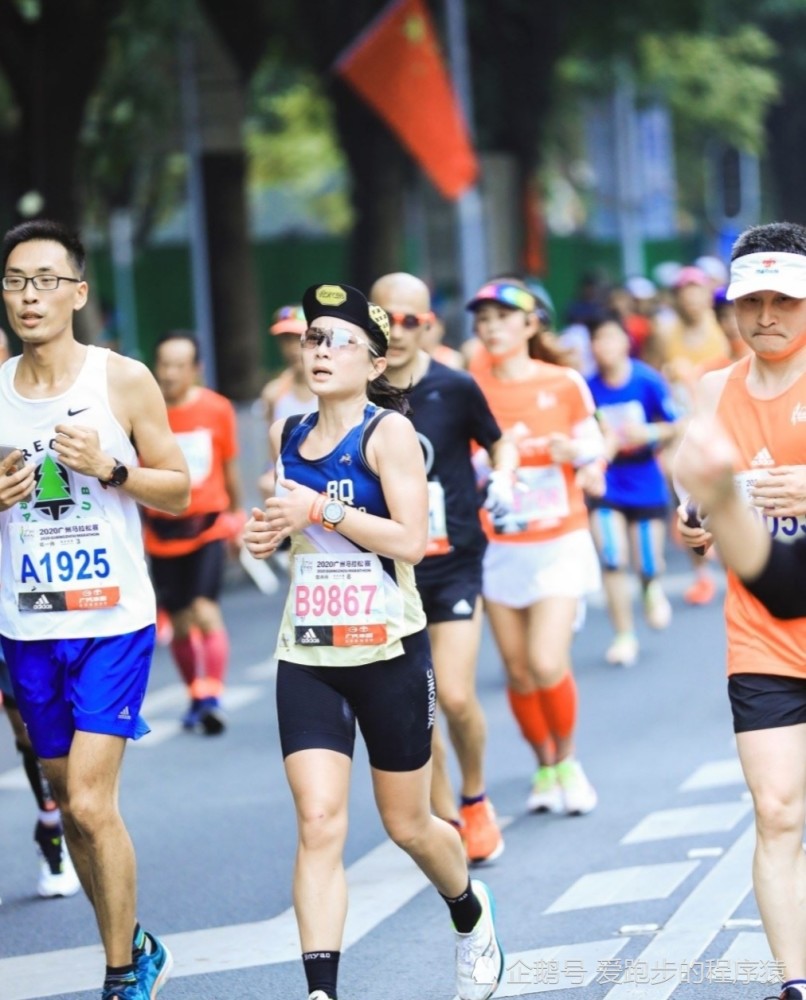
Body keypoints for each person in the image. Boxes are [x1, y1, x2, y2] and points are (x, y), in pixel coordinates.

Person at [243, 283, 503, 1000]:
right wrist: (265, 534)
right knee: (319, 820)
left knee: (409, 824)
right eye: (311, 339)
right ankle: (322, 991)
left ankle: (469, 913)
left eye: (337, 341)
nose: (319, 352)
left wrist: (320, 506)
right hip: (311, 652)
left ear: (374, 359)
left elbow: (412, 543)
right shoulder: (287, 434)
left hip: (388, 649)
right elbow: (290, 534)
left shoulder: (387, 433)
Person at [0, 219, 189, 1000]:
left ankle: (121, 972)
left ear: (78, 291)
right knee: (67, 804)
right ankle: (133, 937)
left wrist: (112, 467)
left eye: (46, 280)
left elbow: (177, 488)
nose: (29, 296)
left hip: (112, 619)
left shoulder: (122, 379)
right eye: (15, 281)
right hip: (27, 623)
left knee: (86, 796)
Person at [673, 221, 806, 1000]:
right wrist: (694, 522)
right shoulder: (710, 390)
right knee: (777, 809)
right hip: (760, 633)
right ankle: (796, 982)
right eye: (750, 301)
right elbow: (690, 511)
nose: (765, 317)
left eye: (783, 301)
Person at [369, 271, 513, 865]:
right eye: (385, 319)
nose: (397, 331)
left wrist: (502, 476)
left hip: (452, 561)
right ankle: (448, 822)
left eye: (410, 320)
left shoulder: (455, 388)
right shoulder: (358, 398)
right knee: (418, 708)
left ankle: (476, 798)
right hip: (384, 571)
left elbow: (496, 440)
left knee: (453, 695)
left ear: (429, 325)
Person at [467, 279, 604, 816]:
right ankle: (543, 765)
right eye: (483, 319)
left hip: (559, 538)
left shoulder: (565, 382)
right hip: (498, 544)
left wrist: (579, 454)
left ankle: (569, 759)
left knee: (548, 662)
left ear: (531, 324)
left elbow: (593, 442)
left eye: (504, 316)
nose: (492, 327)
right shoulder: (468, 387)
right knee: (519, 671)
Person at [142, 332, 245, 735]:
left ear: (196, 370)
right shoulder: (145, 412)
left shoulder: (217, 409)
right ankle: (196, 695)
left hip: (208, 525)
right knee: (181, 620)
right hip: (161, 530)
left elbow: (229, 466)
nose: (168, 373)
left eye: (178, 365)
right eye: (163, 364)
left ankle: (212, 694)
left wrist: (236, 516)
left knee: (205, 608)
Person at [585, 312, 681, 666]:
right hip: (607, 480)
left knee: (647, 559)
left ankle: (649, 586)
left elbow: (676, 425)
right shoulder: (587, 387)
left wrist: (650, 434)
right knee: (611, 557)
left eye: (611, 338)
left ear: (626, 342)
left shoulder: (647, 380)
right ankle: (624, 634)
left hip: (644, 479)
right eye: (598, 339)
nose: (604, 346)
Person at [258, 305, 318, 501]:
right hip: (289, 477)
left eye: (300, 338)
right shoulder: (274, 393)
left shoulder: (332, 387)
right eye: (286, 340)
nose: (293, 348)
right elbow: (272, 454)